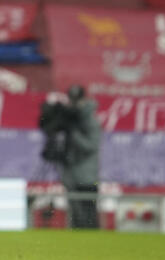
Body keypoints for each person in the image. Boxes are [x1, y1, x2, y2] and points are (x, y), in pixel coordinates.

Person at [38, 85, 101, 229]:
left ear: (83, 100)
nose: (73, 104)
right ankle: (79, 245)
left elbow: (91, 146)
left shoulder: (90, 121)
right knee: (75, 214)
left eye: (76, 100)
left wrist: (72, 132)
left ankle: (93, 244)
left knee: (89, 215)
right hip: (70, 174)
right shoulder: (69, 117)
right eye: (72, 100)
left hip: (87, 177)